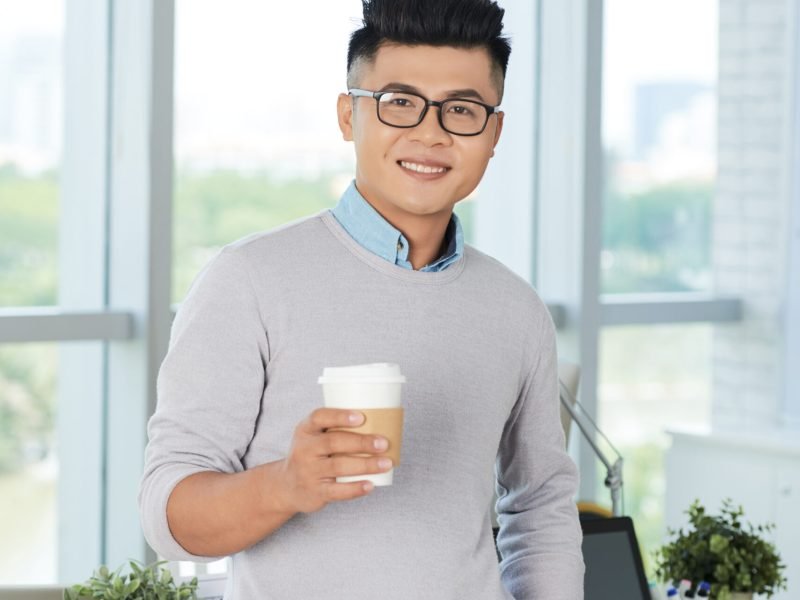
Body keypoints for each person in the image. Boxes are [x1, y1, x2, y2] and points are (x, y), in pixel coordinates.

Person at [139, 0, 585, 598]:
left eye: (462, 109)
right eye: (399, 102)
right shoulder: (247, 279)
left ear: (494, 132)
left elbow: (541, 510)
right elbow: (167, 517)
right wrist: (286, 486)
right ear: (349, 115)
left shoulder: (516, 310)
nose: (430, 132)